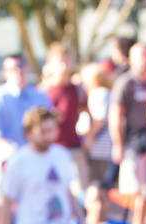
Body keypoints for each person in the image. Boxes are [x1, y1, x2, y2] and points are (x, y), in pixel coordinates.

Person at [0, 107, 86, 224]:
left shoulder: (62, 155)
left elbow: (68, 192)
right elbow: (6, 202)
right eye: (43, 131)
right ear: (29, 133)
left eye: (51, 130)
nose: (48, 136)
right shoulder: (18, 161)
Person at [0, 54, 52, 205]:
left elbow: (50, 127)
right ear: (5, 72)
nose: (18, 71)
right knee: (1, 210)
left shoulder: (39, 97)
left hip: (34, 163)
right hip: (5, 163)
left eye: (20, 66)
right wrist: (16, 153)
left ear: (26, 68)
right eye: (12, 68)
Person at [109, 43, 146, 224]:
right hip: (132, 143)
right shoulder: (126, 83)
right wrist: (118, 145)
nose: (144, 60)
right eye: (139, 56)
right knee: (136, 192)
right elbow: (116, 116)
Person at [43, 42, 87, 190]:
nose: (64, 66)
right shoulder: (43, 91)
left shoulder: (76, 89)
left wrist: (91, 136)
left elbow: (87, 110)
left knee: (80, 189)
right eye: (60, 61)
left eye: (67, 61)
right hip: (51, 148)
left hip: (73, 146)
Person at [79, 62, 113, 185]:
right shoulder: (106, 92)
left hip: (99, 147)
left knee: (97, 185)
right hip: (104, 147)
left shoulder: (99, 93)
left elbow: (100, 120)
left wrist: (89, 138)